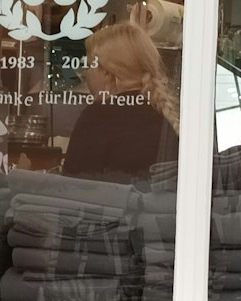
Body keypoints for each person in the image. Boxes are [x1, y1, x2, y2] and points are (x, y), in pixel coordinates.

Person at [61, 21, 181, 183]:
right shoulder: (167, 113)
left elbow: (70, 187)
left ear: (107, 73)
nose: (85, 74)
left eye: (89, 66)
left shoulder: (98, 116)